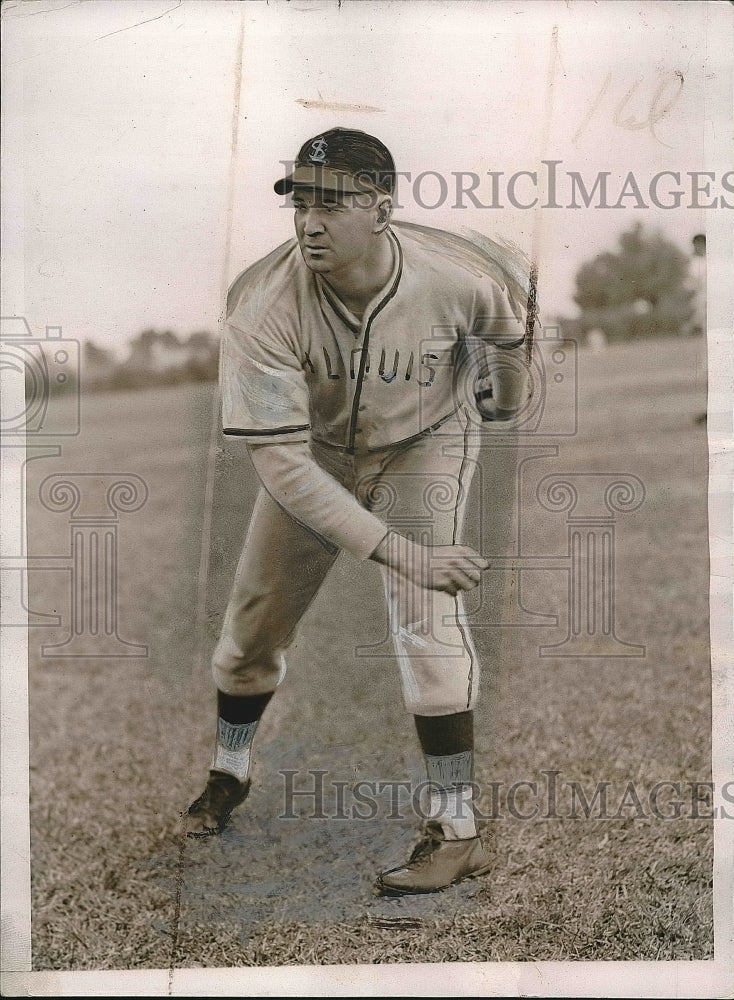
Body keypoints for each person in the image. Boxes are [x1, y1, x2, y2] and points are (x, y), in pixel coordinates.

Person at [183, 128, 531, 895]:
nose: (309, 221)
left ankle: (457, 826)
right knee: (249, 631)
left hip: (424, 442)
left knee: (427, 617)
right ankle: (229, 767)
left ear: (381, 208)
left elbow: (509, 332)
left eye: (331, 202)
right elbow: (280, 464)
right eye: (299, 202)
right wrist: (406, 552)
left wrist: (503, 396)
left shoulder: (454, 274)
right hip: (316, 456)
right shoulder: (260, 302)